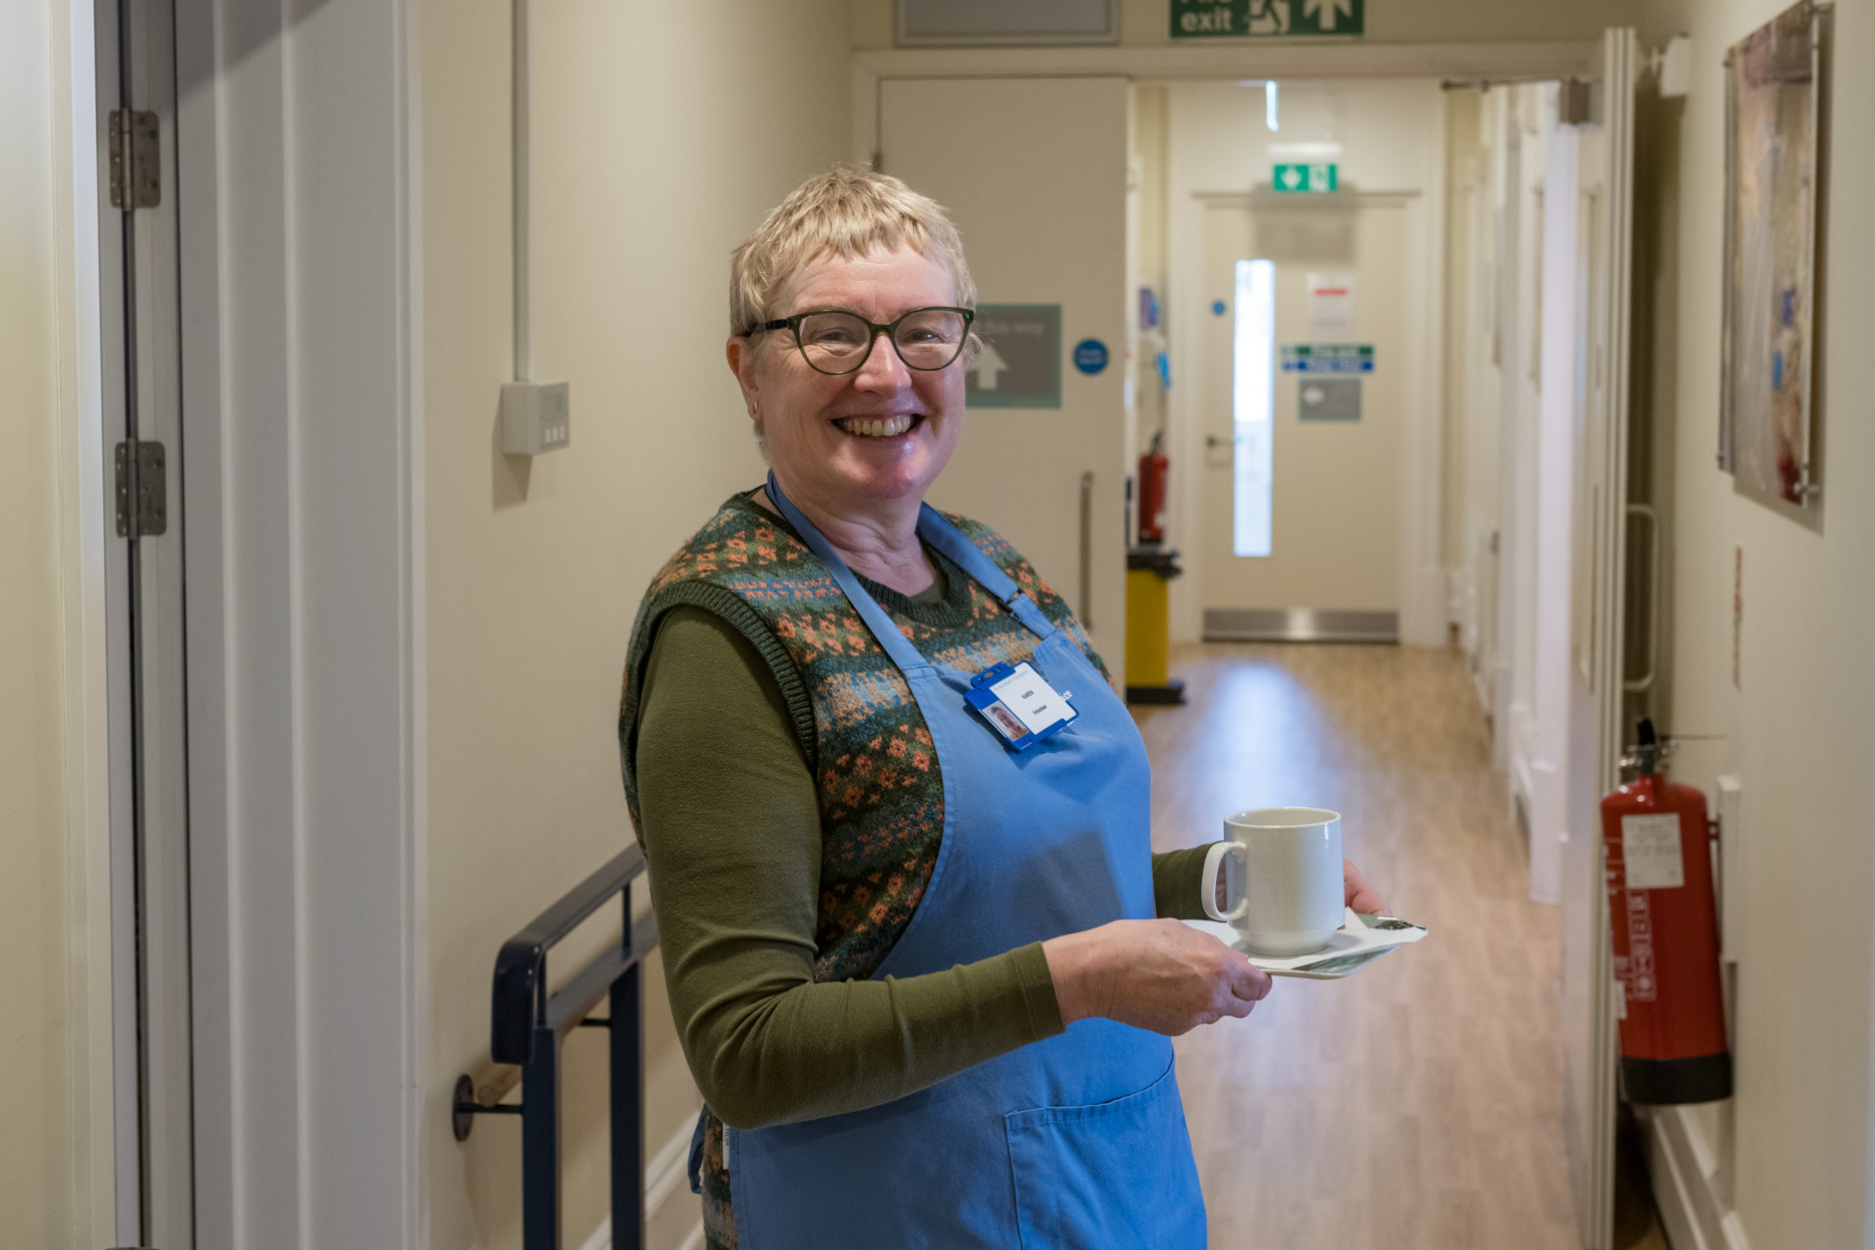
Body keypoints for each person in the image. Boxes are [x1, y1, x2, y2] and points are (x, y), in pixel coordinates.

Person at [618, 167, 1388, 1250]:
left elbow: (1028, 884)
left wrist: (1225, 882)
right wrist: (1088, 976)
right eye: (832, 332)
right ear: (747, 369)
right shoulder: (729, 631)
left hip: (1111, 1181)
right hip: (894, 1206)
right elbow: (748, 1046)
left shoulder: (992, 573)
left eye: (925, 330)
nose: (886, 371)